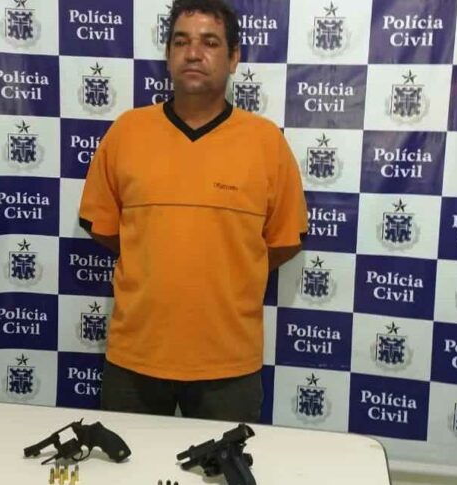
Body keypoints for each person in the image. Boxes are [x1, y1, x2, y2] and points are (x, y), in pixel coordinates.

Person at [78, 0, 307, 423]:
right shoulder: (127, 132)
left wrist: (232, 268)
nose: (194, 53)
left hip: (229, 364)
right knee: (129, 460)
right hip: (135, 358)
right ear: (168, 55)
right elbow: (105, 229)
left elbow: (283, 242)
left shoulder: (265, 143)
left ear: (233, 58)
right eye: (181, 42)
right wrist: (155, 256)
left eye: (210, 42)